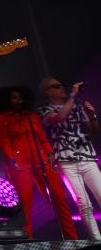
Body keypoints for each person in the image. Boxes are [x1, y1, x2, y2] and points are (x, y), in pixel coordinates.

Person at [0, 86, 77, 239]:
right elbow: (4, 141)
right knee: (25, 203)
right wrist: (12, 159)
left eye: (19, 97)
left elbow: (42, 138)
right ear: (6, 101)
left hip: (42, 160)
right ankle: (28, 241)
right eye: (13, 97)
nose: (18, 100)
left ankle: (72, 238)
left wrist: (50, 153)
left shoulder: (32, 117)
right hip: (20, 165)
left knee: (60, 198)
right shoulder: (1, 120)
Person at [39, 78, 101, 239]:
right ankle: (97, 241)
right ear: (48, 92)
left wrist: (92, 115)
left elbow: (94, 131)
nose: (62, 88)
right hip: (67, 162)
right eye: (56, 86)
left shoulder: (78, 106)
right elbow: (58, 118)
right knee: (84, 204)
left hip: (87, 158)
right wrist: (73, 96)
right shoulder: (44, 109)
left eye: (62, 85)